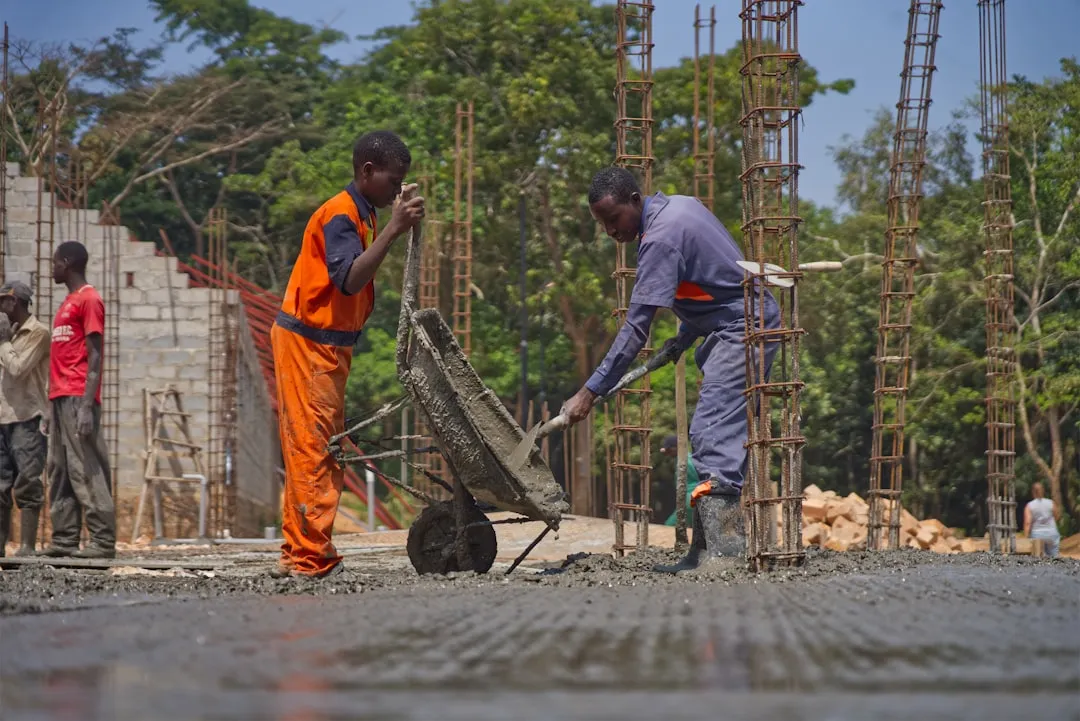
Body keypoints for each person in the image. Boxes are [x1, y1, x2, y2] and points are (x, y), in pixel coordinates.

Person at [561, 167, 780, 572]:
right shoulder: (679, 206)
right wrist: (681, 339)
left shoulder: (660, 238)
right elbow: (712, 282)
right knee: (713, 434)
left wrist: (589, 392)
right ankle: (703, 553)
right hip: (736, 319)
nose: (610, 231)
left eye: (613, 219)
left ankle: (726, 555)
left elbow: (635, 328)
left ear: (633, 200)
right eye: (602, 224)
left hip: (745, 327)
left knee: (711, 431)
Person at [271, 130, 424, 579]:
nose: (397, 190)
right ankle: (309, 559)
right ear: (367, 171)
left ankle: (298, 550)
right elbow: (350, 280)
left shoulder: (362, 213)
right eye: (393, 181)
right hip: (308, 344)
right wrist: (396, 227)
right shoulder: (340, 214)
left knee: (315, 448)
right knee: (313, 451)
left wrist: (391, 223)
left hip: (327, 346)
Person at [39, 241, 116, 559]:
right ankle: (65, 538)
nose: (52, 268)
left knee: (86, 466)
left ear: (68, 263)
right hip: (59, 398)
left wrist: (87, 405)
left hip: (77, 396)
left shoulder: (89, 299)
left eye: (55, 262)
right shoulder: (68, 302)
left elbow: (95, 356)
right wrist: (48, 408)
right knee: (59, 468)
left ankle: (102, 540)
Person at [0, 281, 50, 556]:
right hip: (3, 419)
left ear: (15, 302)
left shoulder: (38, 333)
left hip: (28, 419)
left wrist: (4, 342)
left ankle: (27, 547)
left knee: (28, 482)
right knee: (0, 485)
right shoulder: (7, 334)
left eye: (3, 302)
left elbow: (18, 368)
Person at [659, 434, 698, 528]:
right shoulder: (683, 459)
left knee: (669, 527)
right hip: (689, 499)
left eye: (669, 450)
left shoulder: (686, 461)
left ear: (675, 448)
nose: (668, 454)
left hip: (690, 499)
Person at [1024, 482, 1061, 558]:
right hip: (1051, 533)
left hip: (1037, 534)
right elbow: (1057, 516)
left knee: (1038, 559)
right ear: (1043, 491)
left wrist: (1026, 537)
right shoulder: (1051, 503)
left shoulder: (1030, 505)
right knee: (1054, 558)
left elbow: (1028, 522)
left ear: (1033, 492)